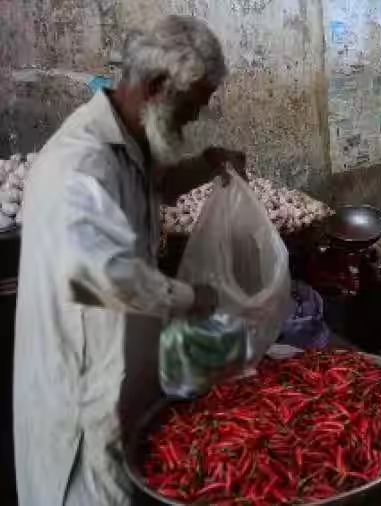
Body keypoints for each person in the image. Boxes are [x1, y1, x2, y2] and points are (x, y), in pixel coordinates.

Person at [14, 16, 245, 505]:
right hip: (79, 415)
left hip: (123, 385)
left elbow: (152, 185)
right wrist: (196, 298)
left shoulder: (129, 144)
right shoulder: (78, 167)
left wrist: (206, 165)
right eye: (190, 107)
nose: (193, 121)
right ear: (158, 86)